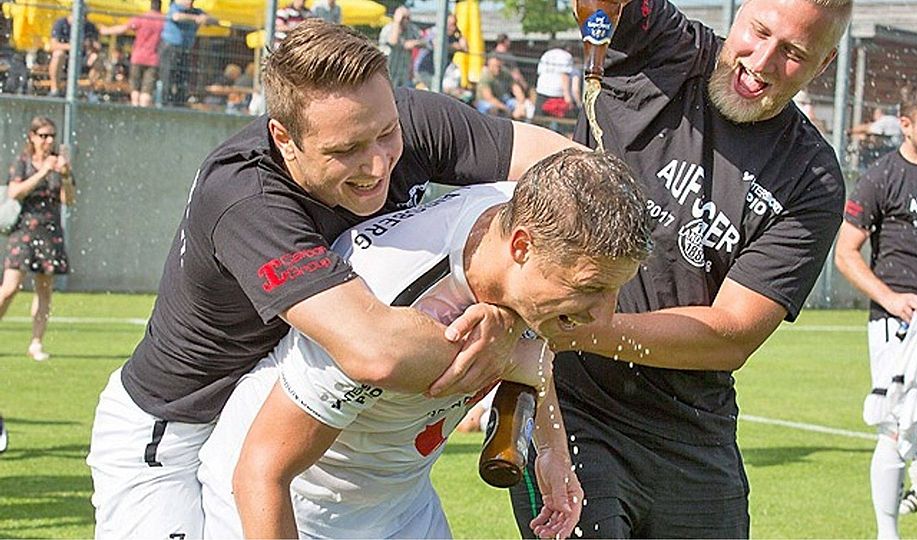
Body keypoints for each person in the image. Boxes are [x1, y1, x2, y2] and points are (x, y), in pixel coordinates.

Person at [86, 20, 578, 540]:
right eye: (345, 150)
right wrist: (514, 349)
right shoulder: (244, 198)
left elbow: (572, 176)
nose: (377, 164)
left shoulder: (406, 117)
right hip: (175, 431)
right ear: (284, 137)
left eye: (387, 134)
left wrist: (516, 306)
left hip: (288, 417)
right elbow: (373, 350)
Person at [508, 0, 851, 537]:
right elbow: (602, 6)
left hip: (692, 435)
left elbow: (730, 334)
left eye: (792, 53)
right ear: (738, 13)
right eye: (758, 32)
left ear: (823, 65)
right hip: (570, 408)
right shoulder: (664, 47)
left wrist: (584, 329)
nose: (760, 61)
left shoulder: (811, 176)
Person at [199, 148, 652, 539]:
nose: (605, 316)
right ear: (520, 247)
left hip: (404, 505)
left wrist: (553, 451)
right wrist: (513, 352)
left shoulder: (527, 228)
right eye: (591, 289)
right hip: (297, 506)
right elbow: (261, 471)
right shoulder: (383, 303)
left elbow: (534, 357)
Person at [835, 85, 917, 539]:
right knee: (896, 427)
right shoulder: (881, 176)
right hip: (898, 321)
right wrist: (890, 299)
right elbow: (846, 254)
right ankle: (888, 532)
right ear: (905, 125)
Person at [0, 116, 75, 362]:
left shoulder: (59, 164)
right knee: (9, 288)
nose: (48, 140)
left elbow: (69, 199)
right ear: (32, 137)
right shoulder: (23, 163)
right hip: (24, 230)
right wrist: (43, 171)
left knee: (44, 290)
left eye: (51, 135)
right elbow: (14, 192)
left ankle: (36, 343)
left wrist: (63, 175)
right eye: (43, 135)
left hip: (49, 231)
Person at [98, 0, 165, 107]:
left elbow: (123, 28)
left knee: (135, 87)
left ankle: (135, 108)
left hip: (137, 57)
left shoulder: (142, 18)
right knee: (147, 90)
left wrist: (106, 30)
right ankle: (143, 112)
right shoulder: (163, 21)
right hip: (153, 59)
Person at [158, 0, 216, 107]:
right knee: (168, 76)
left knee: (183, 76)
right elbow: (176, 17)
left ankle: (179, 102)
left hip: (185, 49)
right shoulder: (174, 7)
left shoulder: (197, 11)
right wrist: (195, 18)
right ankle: (165, 103)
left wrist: (206, 18)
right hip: (170, 48)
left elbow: (214, 20)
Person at [47, 13, 99, 97]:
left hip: (82, 59)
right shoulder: (61, 24)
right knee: (58, 54)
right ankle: (55, 89)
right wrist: (72, 46)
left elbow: (96, 46)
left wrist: (92, 48)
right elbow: (53, 45)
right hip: (65, 60)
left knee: (96, 58)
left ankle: (89, 91)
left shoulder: (89, 26)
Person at [378, 7, 424, 88]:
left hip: (403, 75)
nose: (406, 20)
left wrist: (414, 43)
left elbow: (424, 41)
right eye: (403, 17)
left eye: (408, 18)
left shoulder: (411, 29)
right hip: (387, 73)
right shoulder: (388, 29)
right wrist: (397, 22)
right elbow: (393, 41)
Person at [475, 53, 529, 120]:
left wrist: (521, 103)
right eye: (494, 66)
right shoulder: (485, 77)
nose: (497, 68)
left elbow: (515, 87)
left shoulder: (505, 73)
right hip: (485, 102)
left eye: (499, 66)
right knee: (493, 109)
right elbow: (488, 98)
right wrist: (505, 108)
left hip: (503, 99)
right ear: (489, 66)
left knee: (522, 106)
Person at [535, 43, 577, 120]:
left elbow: (540, 72)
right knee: (560, 123)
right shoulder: (566, 56)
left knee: (539, 120)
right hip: (557, 93)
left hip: (542, 89)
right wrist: (567, 96)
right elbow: (564, 75)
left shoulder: (546, 54)